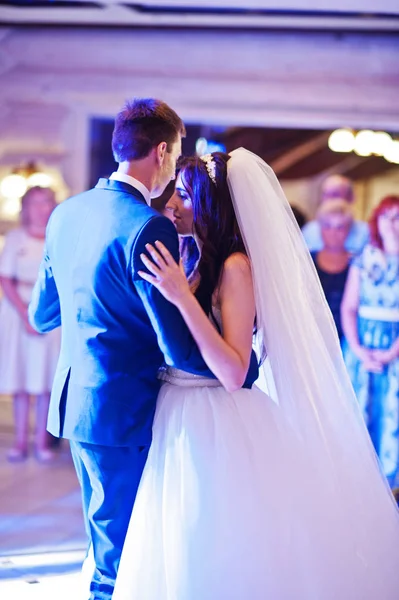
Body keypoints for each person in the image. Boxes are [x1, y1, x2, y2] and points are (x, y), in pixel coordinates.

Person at [113, 150, 399, 600]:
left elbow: (233, 369)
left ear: (211, 203)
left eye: (185, 195)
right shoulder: (198, 256)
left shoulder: (235, 267)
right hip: (182, 410)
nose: (173, 204)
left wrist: (181, 298)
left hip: (216, 415)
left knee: (214, 543)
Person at [28, 100, 258, 600]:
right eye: (175, 158)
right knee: (120, 553)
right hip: (122, 409)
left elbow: (42, 315)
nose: (173, 175)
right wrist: (242, 366)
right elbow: (178, 350)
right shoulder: (145, 224)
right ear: (161, 152)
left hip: (75, 405)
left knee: (106, 539)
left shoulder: (67, 213)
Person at [341, 195, 399, 488]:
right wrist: (359, 350)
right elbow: (349, 308)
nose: (393, 224)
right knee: (359, 412)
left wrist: (391, 353)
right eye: (387, 216)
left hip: (395, 349)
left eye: (398, 217)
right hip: (362, 346)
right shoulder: (364, 258)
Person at [0, 186, 60, 462]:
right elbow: (5, 279)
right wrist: (26, 314)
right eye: (35, 203)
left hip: (49, 311)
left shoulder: (58, 235)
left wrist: (42, 315)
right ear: (26, 207)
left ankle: (42, 443)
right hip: (18, 309)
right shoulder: (15, 238)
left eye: (45, 202)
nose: (40, 208)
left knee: (46, 379)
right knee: (22, 378)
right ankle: (21, 442)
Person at [311, 199, 352, 343]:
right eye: (327, 226)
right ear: (320, 228)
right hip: (312, 337)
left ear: (349, 229)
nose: (333, 233)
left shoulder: (358, 264)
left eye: (340, 227)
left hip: (348, 340)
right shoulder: (306, 261)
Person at [302, 174, 369, 254]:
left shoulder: (365, 232)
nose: (330, 200)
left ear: (351, 198)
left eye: (335, 194)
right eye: (326, 194)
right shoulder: (309, 230)